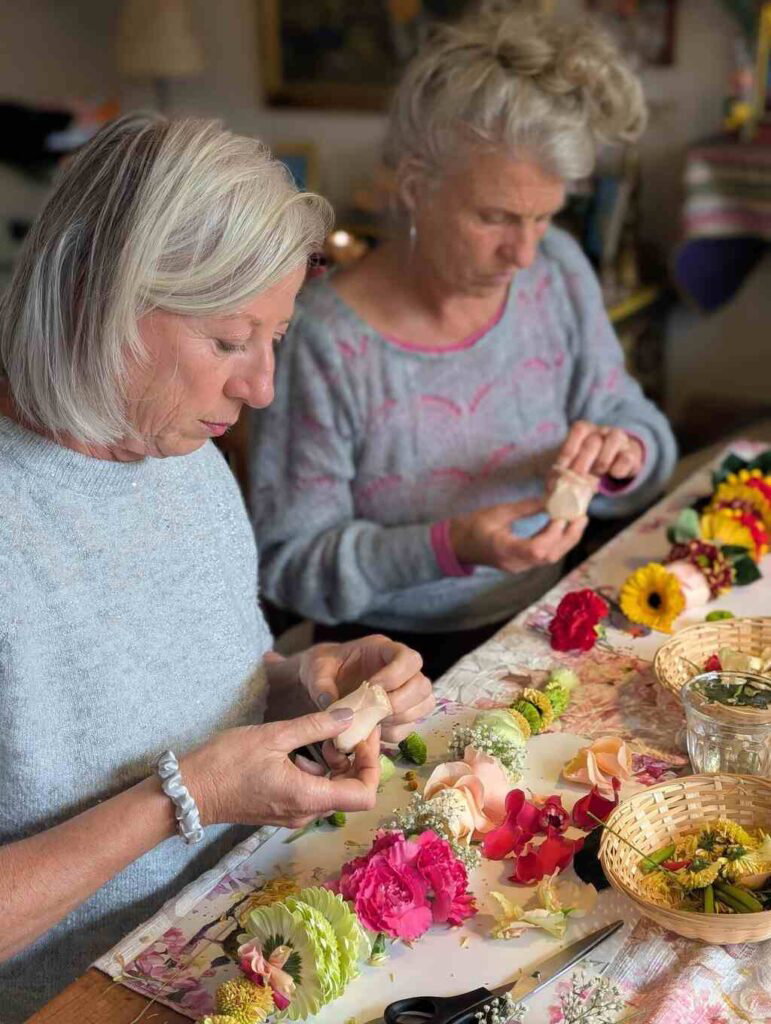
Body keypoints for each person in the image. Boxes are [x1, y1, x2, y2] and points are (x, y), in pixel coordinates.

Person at [0, 113, 433, 1021]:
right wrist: (186, 797)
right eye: (231, 341)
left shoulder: (182, 456)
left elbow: (204, 699)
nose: (261, 387)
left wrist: (306, 687)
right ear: (96, 298)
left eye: (274, 338)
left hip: (246, 928)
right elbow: (192, 775)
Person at [250, 6, 677, 679]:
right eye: (494, 217)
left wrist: (621, 454)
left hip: (547, 625)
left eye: (543, 216)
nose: (522, 251)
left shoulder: (557, 269)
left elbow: (635, 423)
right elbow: (290, 567)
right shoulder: (324, 344)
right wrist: (448, 547)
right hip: (393, 667)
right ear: (416, 188)